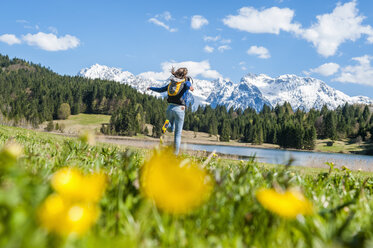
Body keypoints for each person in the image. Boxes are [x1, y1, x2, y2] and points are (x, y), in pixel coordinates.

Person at [147, 67, 194, 155]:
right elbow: (188, 85)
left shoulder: (171, 83)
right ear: (184, 75)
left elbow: (161, 89)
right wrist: (190, 87)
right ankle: (175, 155)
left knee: (171, 129)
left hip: (170, 108)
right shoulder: (185, 82)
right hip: (180, 109)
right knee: (177, 134)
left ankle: (168, 124)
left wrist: (151, 88)